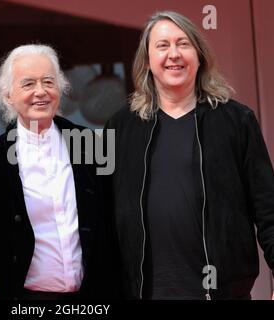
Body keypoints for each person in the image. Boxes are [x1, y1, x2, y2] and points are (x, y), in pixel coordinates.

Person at [105, 11, 274, 300]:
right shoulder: (120, 127)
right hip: (146, 292)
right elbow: (103, 217)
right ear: (146, 61)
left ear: (199, 56)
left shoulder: (237, 120)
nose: (174, 54)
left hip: (222, 292)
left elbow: (268, 208)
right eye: (162, 46)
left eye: (183, 44)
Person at [0, 44, 117, 300]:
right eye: (28, 84)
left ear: (61, 88)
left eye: (48, 82)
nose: (40, 92)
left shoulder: (90, 146)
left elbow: (116, 224)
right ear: (8, 94)